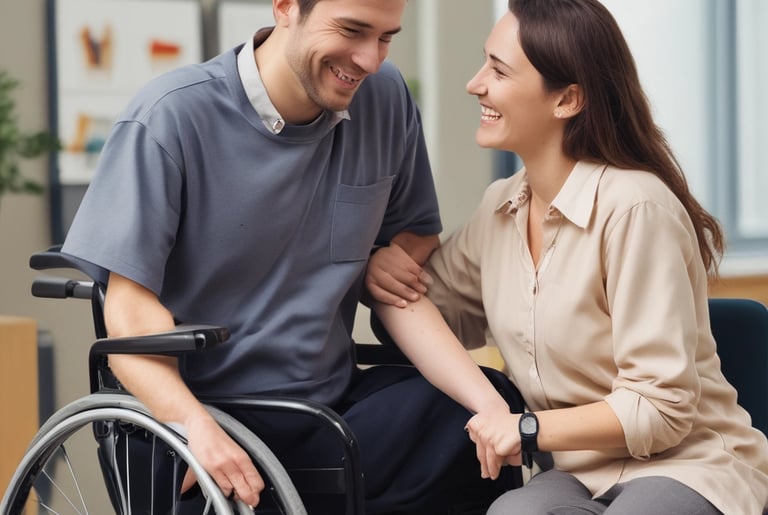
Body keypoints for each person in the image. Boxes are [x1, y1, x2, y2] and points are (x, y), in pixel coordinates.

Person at [60, 0, 524, 513]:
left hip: (327, 410)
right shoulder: (170, 117)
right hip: (204, 417)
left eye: (386, 37)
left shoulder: (384, 97)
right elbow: (127, 313)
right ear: (285, 7)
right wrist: (192, 424)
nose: (369, 60)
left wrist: (376, 257)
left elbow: (414, 239)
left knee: (482, 407)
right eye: (351, 30)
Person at [369, 0, 768, 513]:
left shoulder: (634, 207)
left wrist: (525, 427)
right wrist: (384, 267)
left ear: (567, 100)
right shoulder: (500, 209)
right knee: (511, 511)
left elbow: (661, 409)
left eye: (499, 70)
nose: (475, 84)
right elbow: (424, 309)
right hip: (577, 473)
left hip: (689, 466)